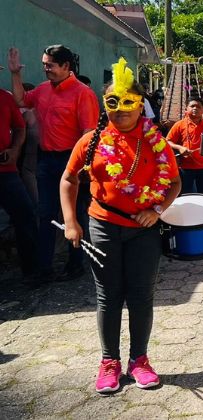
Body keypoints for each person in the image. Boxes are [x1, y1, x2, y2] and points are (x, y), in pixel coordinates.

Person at [60, 58, 181, 393]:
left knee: (141, 296)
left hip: (144, 230)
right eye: (113, 102)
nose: (121, 109)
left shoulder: (156, 142)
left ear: (140, 105)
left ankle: (139, 360)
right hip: (103, 226)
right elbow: (69, 179)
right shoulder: (91, 142)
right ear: (104, 105)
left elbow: (174, 184)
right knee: (108, 296)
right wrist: (71, 222)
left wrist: (157, 209)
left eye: (128, 101)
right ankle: (109, 361)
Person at [8, 45, 100, 283]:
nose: (45, 69)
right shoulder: (42, 90)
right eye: (44, 64)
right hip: (46, 160)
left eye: (50, 65)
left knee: (76, 213)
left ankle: (75, 263)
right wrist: (16, 74)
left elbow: (89, 132)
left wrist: (84, 167)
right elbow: (20, 99)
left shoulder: (83, 93)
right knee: (46, 213)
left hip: (72, 161)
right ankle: (44, 268)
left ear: (66, 66)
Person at [0, 82, 38, 282]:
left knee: (26, 216)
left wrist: (15, 150)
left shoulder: (5, 98)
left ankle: (31, 270)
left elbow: (19, 127)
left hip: (6, 171)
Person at [166, 98, 203, 195]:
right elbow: (167, 141)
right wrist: (180, 148)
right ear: (186, 109)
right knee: (185, 196)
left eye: (198, 106)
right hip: (185, 167)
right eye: (192, 106)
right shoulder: (179, 124)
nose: (195, 108)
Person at [18, 83, 39, 202]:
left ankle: (36, 205)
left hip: (30, 151)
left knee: (28, 173)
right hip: (49, 150)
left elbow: (19, 131)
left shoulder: (28, 114)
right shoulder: (47, 110)